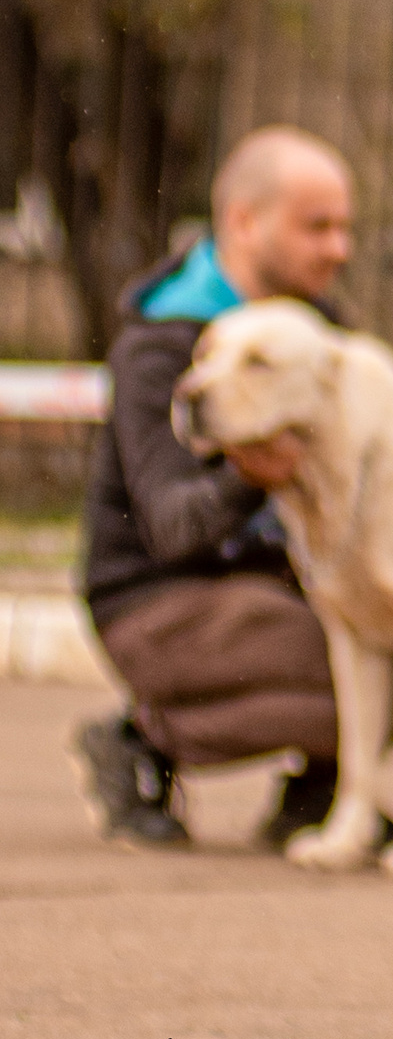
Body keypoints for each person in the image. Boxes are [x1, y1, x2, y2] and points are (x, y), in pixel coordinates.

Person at [73, 126, 360, 849]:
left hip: (274, 583)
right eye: (316, 226)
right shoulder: (163, 344)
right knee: (351, 669)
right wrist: (243, 476)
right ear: (243, 221)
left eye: (345, 227)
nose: (339, 249)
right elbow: (170, 526)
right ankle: (141, 739)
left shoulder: (318, 333)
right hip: (159, 593)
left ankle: (321, 794)